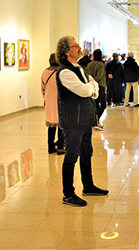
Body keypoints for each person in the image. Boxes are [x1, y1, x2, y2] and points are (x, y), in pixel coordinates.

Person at [56, 36, 109, 207]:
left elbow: (92, 85)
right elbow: (86, 90)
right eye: (75, 46)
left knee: (87, 152)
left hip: (84, 120)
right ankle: (68, 194)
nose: (79, 48)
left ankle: (88, 186)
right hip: (73, 121)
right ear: (66, 51)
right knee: (71, 156)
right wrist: (91, 88)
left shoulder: (79, 68)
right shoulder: (65, 72)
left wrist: (91, 88)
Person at [41, 53, 65, 155]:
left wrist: (45, 96)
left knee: (51, 125)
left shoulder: (45, 72)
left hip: (49, 101)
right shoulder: (61, 72)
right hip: (60, 101)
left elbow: (42, 87)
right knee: (61, 124)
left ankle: (50, 147)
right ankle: (60, 147)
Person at [86, 49, 107, 128]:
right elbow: (99, 75)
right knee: (103, 104)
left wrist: (91, 83)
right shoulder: (101, 64)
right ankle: (95, 119)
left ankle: (95, 121)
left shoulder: (89, 64)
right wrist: (95, 82)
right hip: (100, 86)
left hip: (91, 86)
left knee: (96, 104)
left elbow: (87, 75)